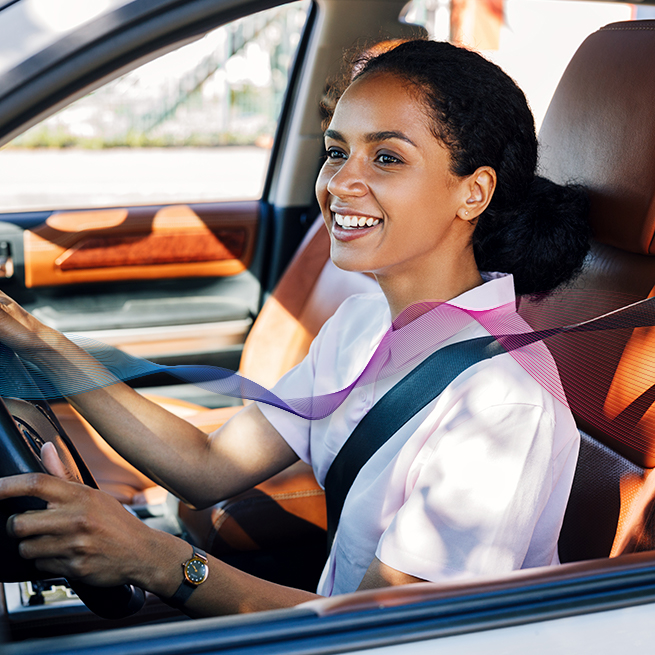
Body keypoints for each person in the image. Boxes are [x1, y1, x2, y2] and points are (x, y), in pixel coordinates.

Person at [0, 39, 589, 616]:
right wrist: (45, 348)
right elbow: (208, 464)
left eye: (386, 158)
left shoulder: (501, 406)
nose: (338, 183)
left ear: (473, 192)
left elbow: (382, 629)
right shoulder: (361, 323)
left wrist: (157, 559)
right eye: (337, 152)